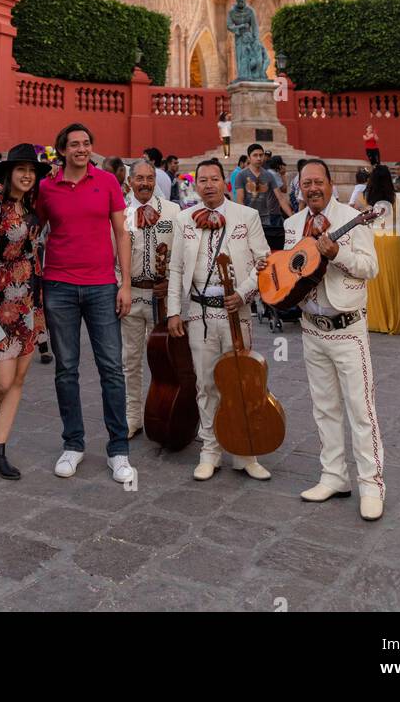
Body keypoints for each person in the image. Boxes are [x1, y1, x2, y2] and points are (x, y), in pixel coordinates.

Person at [284, 158, 384, 521]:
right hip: (312, 327)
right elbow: (291, 271)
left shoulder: (352, 217)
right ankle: (334, 476)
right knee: (324, 408)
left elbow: (370, 267)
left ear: (330, 183)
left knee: (361, 409)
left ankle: (371, 485)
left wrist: (336, 253)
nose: (311, 188)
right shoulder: (292, 224)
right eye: (305, 183)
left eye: (317, 181)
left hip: (348, 329)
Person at [36, 122, 134, 484]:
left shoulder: (107, 182)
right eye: (74, 144)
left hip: (102, 286)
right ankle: (73, 444)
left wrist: (124, 283)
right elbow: (33, 232)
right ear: (62, 150)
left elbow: (122, 233)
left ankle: (118, 449)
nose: (81, 149)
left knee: (111, 368)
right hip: (59, 285)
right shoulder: (47, 188)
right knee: (66, 370)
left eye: (87, 143)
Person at [167, 157, 272, 482]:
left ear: (225, 183)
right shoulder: (184, 219)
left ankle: (244, 452)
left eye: (214, 179)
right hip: (198, 312)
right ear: (196, 184)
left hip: (235, 313)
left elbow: (264, 261)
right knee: (206, 383)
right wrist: (174, 311)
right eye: (203, 180)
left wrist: (242, 293)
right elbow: (175, 268)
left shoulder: (247, 216)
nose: (208, 185)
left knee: (241, 384)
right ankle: (210, 450)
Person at [0, 144, 50, 479]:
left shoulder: (32, 210)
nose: (27, 175)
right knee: (1, 380)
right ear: (7, 173)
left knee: (18, 378)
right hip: (0, 307)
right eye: (21, 169)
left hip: (30, 303)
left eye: (32, 170)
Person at [120, 158, 181, 437]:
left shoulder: (172, 211)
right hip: (132, 296)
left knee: (165, 359)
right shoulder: (119, 213)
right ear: (130, 181)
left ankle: (164, 410)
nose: (144, 183)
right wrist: (121, 287)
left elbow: (180, 256)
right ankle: (132, 416)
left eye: (149, 178)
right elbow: (112, 258)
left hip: (162, 299)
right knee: (130, 359)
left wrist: (170, 283)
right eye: (139, 178)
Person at [364, 165, 400, 336]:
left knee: (375, 281)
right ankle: (396, 318)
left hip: (374, 240)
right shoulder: (399, 199)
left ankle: (378, 319)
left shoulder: (365, 198)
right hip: (393, 241)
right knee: (395, 280)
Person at [235, 143, 291, 251]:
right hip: (249, 221)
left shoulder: (268, 175)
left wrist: (292, 217)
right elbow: (240, 200)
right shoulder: (241, 175)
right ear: (249, 157)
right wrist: (244, 221)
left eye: (261, 155)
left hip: (266, 221)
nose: (259, 158)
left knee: (266, 252)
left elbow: (280, 198)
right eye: (255, 155)